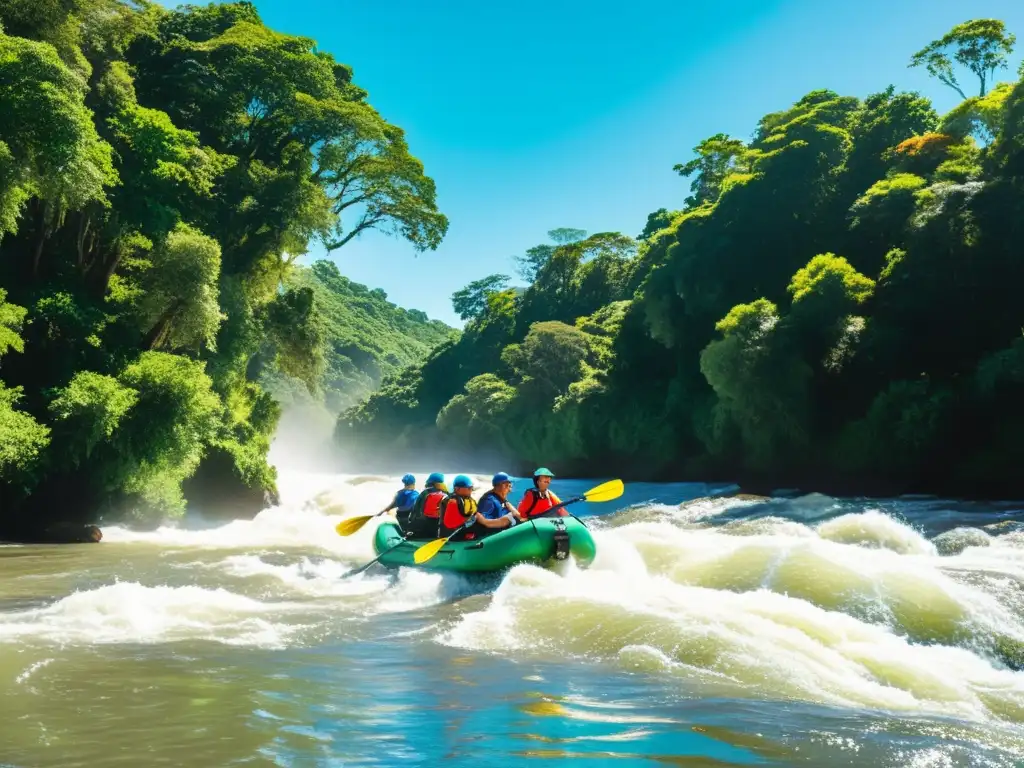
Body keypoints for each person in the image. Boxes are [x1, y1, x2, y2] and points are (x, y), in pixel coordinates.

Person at [439, 474, 520, 540]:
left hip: (465, 529)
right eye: (468, 488)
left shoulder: (465, 499)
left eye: (471, 488)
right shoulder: (453, 502)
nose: (471, 490)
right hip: (455, 534)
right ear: (457, 489)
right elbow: (449, 524)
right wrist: (469, 520)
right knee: (485, 527)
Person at [404, 472, 447, 538]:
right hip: (440, 529)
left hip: (423, 527)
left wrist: (410, 526)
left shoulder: (424, 493)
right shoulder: (446, 494)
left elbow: (415, 510)